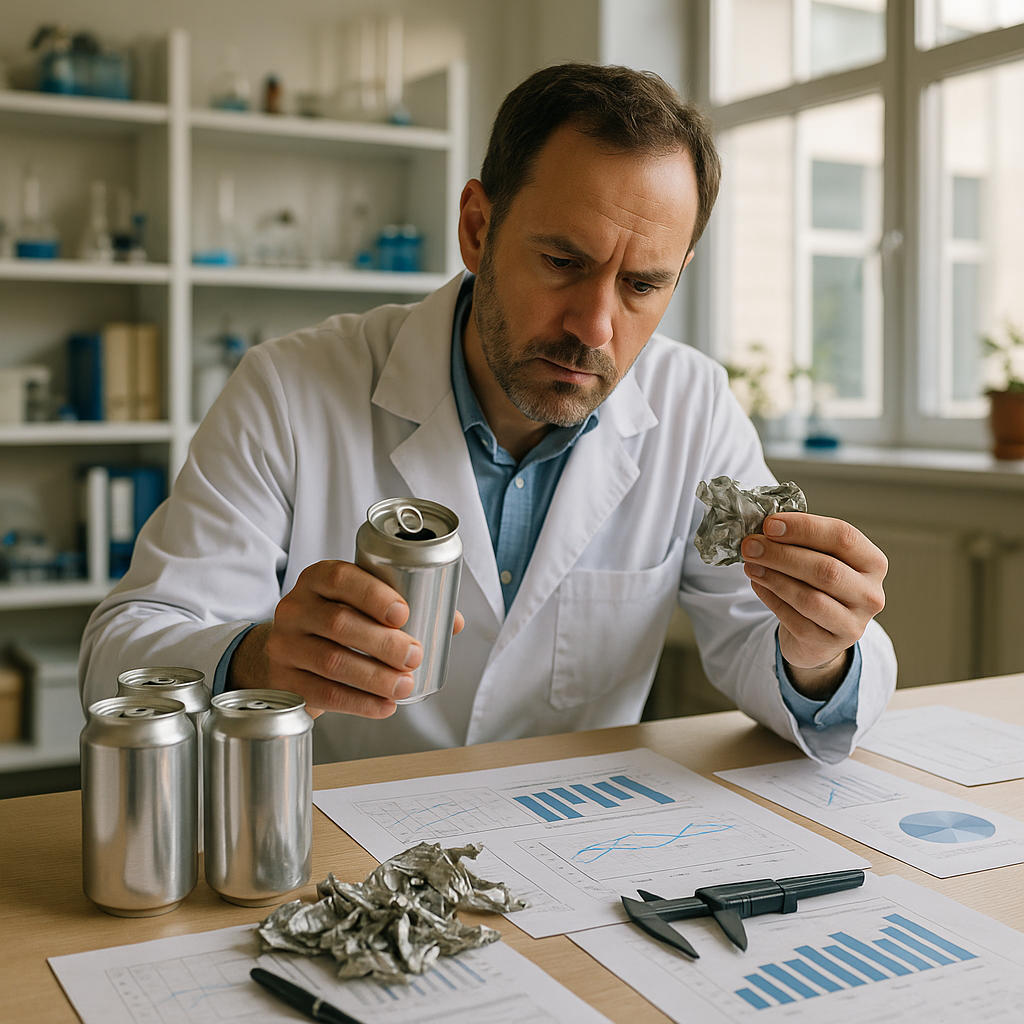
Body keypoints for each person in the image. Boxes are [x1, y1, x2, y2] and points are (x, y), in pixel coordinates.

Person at [79, 63, 895, 765]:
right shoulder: (289, 389)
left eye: (642, 285)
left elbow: (764, 649)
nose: (595, 328)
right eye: (562, 262)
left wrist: (818, 650)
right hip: (334, 847)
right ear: (478, 227)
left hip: (573, 851)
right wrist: (251, 658)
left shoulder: (694, 406)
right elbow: (120, 652)